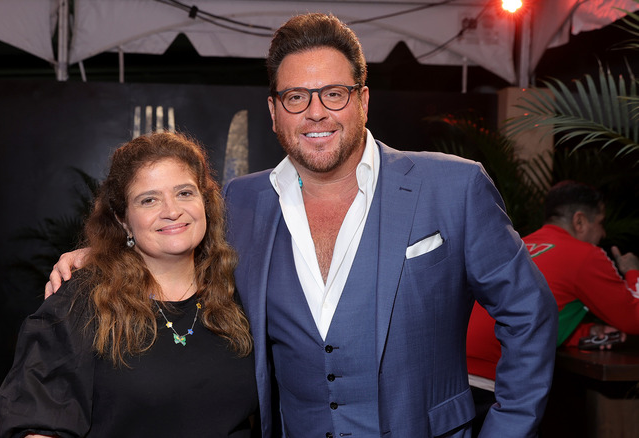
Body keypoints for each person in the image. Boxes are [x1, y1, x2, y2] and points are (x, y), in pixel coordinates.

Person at [46, 13, 557, 437]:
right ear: (274, 111)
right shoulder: (243, 201)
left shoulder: (453, 187)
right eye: (296, 97)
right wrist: (103, 253)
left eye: (333, 93)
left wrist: (507, 432)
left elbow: (529, 315)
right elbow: (177, 245)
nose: (316, 113)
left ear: (362, 99)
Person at [0, 131, 258, 438]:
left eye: (185, 193)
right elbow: (39, 423)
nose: (172, 211)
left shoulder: (238, 290)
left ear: (205, 202)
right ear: (123, 220)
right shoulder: (83, 301)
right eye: (149, 200)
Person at [467, 180, 639, 432]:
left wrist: (581, 333)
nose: (603, 234)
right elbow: (634, 319)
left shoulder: (517, 244)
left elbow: (532, 311)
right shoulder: (584, 255)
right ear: (579, 221)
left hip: (450, 377)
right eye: (600, 223)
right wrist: (633, 271)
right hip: (492, 385)